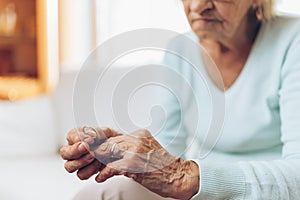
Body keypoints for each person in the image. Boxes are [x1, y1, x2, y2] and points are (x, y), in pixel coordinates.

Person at [60, 0, 300, 199]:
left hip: (268, 192)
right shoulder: (179, 51)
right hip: (201, 189)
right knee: (98, 195)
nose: (197, 5)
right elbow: (169, 150)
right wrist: (122, 152)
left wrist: (187, 176)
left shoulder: (293, 40)